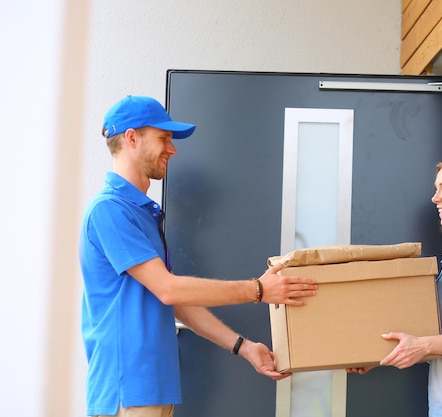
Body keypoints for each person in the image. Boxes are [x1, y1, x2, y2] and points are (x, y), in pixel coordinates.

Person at [79, 95, 317, 417]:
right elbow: (169, 289)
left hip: (154, 388)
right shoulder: (110, 211)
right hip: (127, 390)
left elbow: (177, 302)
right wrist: (258, 290)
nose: (172, 149)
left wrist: (244, 347)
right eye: (163, 138)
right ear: (132, 137)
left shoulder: (141, 214)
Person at [348, 151, 442, 417]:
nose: (435, 198)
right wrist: (379, 354)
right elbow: (436, 332)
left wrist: (422, 346)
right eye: (436, 189)